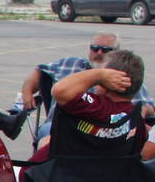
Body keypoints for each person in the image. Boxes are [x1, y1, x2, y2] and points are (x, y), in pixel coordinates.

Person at [27, 50, 150, 182]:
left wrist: (97, 75)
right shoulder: (136, 118)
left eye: (102, 72)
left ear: (110, 80)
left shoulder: (93, 107)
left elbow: (59, 90)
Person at [17, 32, 154, 131]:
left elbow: (149, 107)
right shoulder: (71, 63)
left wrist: (144, 110)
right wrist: (27, 91)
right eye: (95, 48)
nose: (99, 52)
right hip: (58, 126)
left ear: (117, 53)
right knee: (48, 133)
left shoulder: (123, 77)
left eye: (106, 50)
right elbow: (40, 71)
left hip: (105, 131)